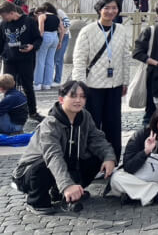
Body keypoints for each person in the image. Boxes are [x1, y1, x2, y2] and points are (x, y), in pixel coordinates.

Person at [12, 80, 116, 214]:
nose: (78, 100)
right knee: (44, 165)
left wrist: (109, 158)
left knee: (98, 156)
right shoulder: (50, 124)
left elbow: (98, 139)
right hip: (30, 172)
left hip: (68, 164)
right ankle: (35, 200)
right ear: (61, 99)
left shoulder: (85, 116)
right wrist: (67, 185)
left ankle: (63, 192)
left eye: (82, 96)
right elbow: (53, 157)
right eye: (73, 96)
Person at [71, 0, 130, 161]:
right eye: (107, 8)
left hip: (115, 84)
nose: (111, 11)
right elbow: (80, 60)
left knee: (113, 124)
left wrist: (125, 81)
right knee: (92, 125)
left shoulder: (122, 30)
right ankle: (92, 160)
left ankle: (113, 159)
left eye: (114, 8)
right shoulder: (87, 31)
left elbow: (126, 57)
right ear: (99, 10)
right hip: (92, 86)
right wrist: (79, 86)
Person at [0, 2, 43, 122]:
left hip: (26, 61)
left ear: (12, 13)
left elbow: (38, 39)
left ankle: (33, 112)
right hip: (9, 61)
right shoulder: (3, 24)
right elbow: (1, 42)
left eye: (4, 16)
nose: (3, 19)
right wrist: (2, 55)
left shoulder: (29, 21)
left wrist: (32, 47)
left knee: (28, 86)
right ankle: (9, 110)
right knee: (7, 87)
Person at [34, 2, 64, 91]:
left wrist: (38, 40)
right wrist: (60, 41)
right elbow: (62, 30)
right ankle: (47, 83)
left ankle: (37, 84)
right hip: (55, 37)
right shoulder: (56, 17)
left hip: (46, 36)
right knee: (50, 61)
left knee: (40, 60)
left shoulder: (42, 16)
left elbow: (41, 30)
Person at [52, 7, 71, 87]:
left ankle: (57, 80)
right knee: (55, 58)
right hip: (55, 34)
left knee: (58, 58)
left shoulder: (59, 11)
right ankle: (55, 79)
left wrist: (59, 25)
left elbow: (68, 23)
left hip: (64, 35)